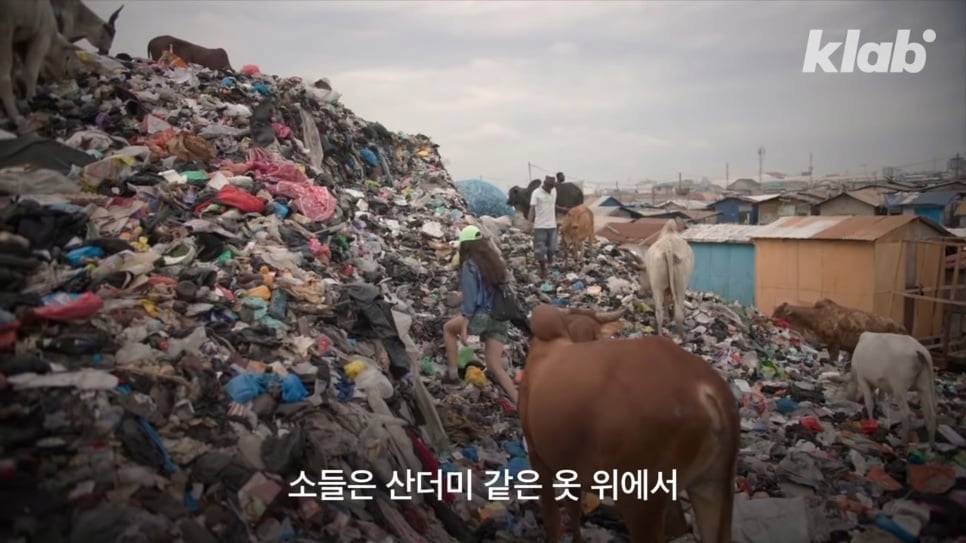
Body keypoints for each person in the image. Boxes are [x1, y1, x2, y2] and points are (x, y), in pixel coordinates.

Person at [443, 226, 517, 403]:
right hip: (500, 318)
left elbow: (471, 299)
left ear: (465, 245)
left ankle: (452, 375)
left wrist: (465, 323)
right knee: (495, 366)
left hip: (481, 316)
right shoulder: (495, 263)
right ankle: (519, 401)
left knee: (447, 329)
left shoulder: (469, 264)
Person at [529, 176, 558, 278]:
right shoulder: (536, 193)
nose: (551, 189)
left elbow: (552, 205)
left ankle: (549, 260)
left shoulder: (554, 191)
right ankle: (543, 269)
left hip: (552, 225)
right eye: (549, 187)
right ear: (545, 184)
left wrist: (563, 210)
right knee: (540, 250)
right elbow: (532, 209)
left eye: (552, 187)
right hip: (540, 226)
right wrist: (529, 223)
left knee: (552, 248)